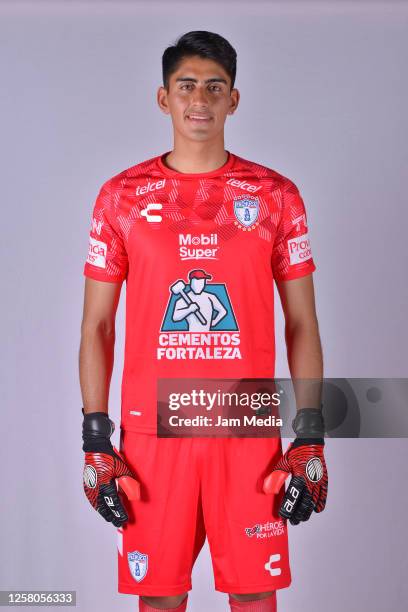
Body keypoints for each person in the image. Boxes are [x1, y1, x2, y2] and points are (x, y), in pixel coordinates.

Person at [79, 30, 328, 612]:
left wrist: (310, 435)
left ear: (233, 100)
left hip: (246, 422)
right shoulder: (121, 197)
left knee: (253, 591)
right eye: (186, 85)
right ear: (164, 98)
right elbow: (97, 325)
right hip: (152, 427)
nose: (200, 99)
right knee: (160, 597)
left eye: (215, 87)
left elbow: (302, 322)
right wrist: (96, 437)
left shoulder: (275, 196)